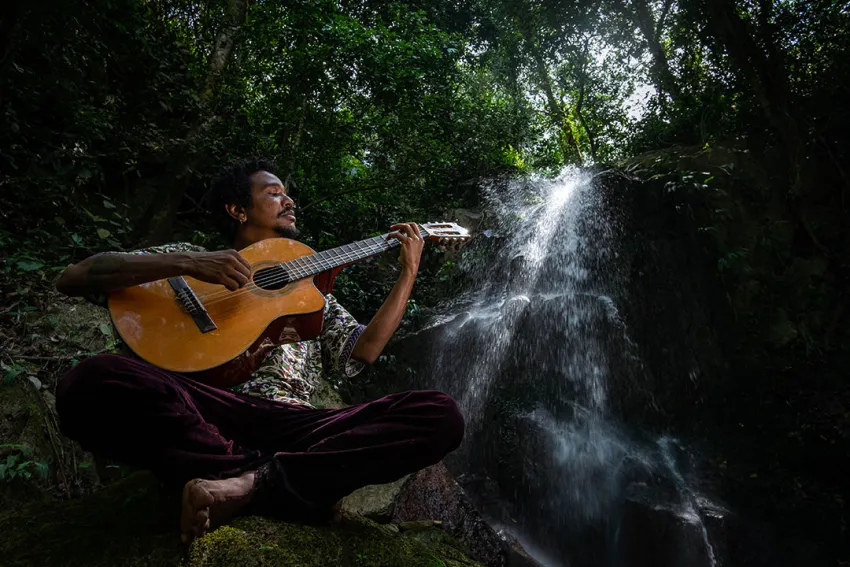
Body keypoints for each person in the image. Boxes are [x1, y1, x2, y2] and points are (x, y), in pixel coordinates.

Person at [53, 157, 465, 544]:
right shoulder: (185, 260)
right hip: (206, 411)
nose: (289, 200)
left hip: (292, 424)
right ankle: (277, 480)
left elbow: (365, 349)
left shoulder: (311, 295)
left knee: (438, 414)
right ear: (237, 210)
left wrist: (408, 271)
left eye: (287, 193)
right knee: (92, 378)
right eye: (274, 193)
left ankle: (248, 482)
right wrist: (188, 263)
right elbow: (76, 276)